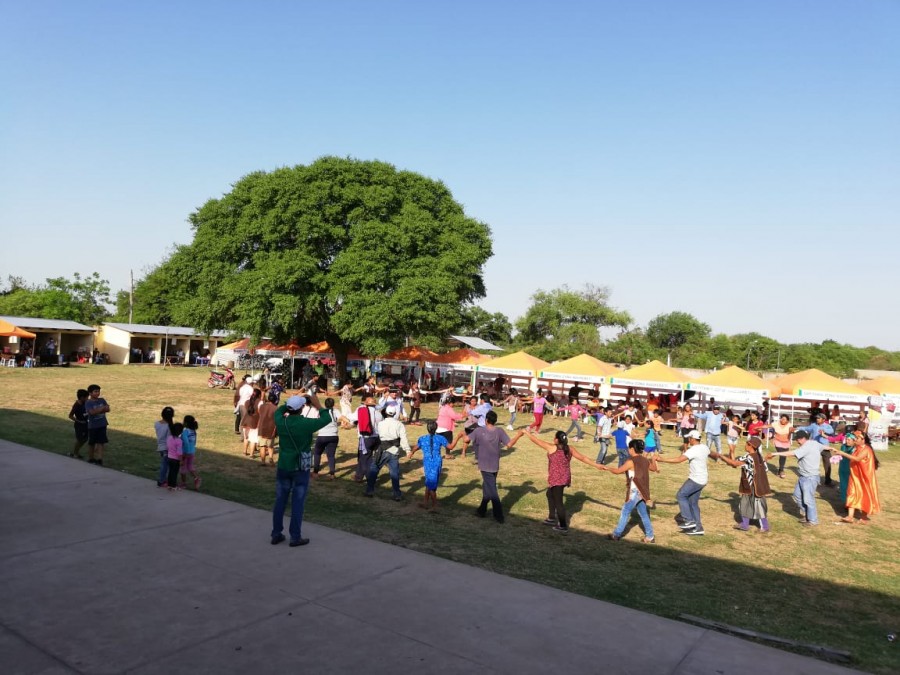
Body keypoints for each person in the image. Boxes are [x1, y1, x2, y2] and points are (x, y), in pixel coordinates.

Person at [271, 394, 330, 546]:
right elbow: (326, 419)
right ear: (302, 408)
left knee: (280, 501)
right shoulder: (305, 423)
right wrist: (317, 404)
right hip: (300, 467)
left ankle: (276, 533)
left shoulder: (281, 420)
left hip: (284, 464)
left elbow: (278, 411)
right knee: (297, 502)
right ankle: (295, 536)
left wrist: (288, 403)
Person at [525, 429, 594, 533]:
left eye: (554, 437)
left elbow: (535, 440)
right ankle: (552, 518)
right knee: (549, 494)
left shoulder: (552, 448)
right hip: (564, 477)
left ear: (557, 440)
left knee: (558, 502)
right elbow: (583, 458)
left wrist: (526, 432)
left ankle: (563, 526)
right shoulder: (569, 448)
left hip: (557, 479)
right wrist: (597, 465)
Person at [598, 439, 657, 543]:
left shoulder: (631, 461)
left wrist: (606, 468)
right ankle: (650, 536)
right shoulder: (645, 460)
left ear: (632, 449)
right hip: (643, 491)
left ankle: (616, 534)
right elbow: (654, 468)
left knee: (625, 511)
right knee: (643, 513)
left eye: (629, 448)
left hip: (634, 491)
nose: (628, 450)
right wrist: (654, 459)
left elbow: (618, 471)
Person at [470, 410, 523, 523]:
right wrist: (518, 435)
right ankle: (481, 510)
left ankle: (498, 515)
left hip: (484, 464)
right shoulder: (499, 431)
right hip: (494, 464)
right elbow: (509, 444)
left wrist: (461, 435)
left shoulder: (479, 430)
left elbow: (466, 439)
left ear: (486, 420)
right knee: (488, 486)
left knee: (492, 490)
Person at [712, 437, 772, 532]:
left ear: (751, 446)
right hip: (758, 486)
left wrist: (721, 456)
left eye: (746, 444)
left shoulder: (749, 457)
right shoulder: (759, 456)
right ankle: (746, 524)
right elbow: (765, 469)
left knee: (754, 505)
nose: (745, 445)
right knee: (749, 504)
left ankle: (763, 527)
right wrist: (732, 453)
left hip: (752, 486)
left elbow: (735, 464)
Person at [766, 430, 824, 526]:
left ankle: (813, 520)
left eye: (798, 440)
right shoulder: (814, 443)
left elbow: (791, 453)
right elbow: (823, 447)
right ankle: (807, 515)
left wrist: (775, 454)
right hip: (803, 476)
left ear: (803, 438)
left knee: (808, 499)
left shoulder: (806, 447)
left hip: (810, 478)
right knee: (797, 495)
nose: (797, 442)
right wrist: (831, 448)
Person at [657, 429, 709, 536]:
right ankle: (698, 528)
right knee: (693, 503)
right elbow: (711, 453)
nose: (688, 440)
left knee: (681, 495)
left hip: (695, 479)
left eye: (689, 438)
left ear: (693, 439)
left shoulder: (693, 450)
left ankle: (688, 520)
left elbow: (679, 459)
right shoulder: (704, 447)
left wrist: (662, 460)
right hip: (703, 479)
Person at [830, 431, 881, 524]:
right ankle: (850, 517)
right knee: (851, 493)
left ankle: (864, 517)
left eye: (857, 438)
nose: (855, 440)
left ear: (863, 440)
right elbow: (851, 457)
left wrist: (843, 453)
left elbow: (857, 459)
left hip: (865, 476)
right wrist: (839, 455)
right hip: (855, 476)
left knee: (865, 494)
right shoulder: (857, 448)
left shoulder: (867, 449)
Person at [365, 407, 410, 501]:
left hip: (383, 450)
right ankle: (397, 494)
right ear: (395, 413)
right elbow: (403, 438)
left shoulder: (380, 424)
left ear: (385, 413)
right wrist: (407, 450)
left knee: (374, 469)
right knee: (394, 473)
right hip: (394, 450)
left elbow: (379, 435)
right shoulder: (399, 424)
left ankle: (369, 490)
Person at [407, 421, 449, 510]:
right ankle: (429, 504)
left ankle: (432, 505)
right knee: (430, 483)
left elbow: (416, 447)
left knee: (430, 483)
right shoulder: (441, 438)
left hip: (428, 462)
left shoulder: (422, 438)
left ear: (427, 428)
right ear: (436, 428)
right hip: (437, 462)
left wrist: (411, 452)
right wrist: (457, 437)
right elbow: (451, 447)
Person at [796, 413, 836, 486]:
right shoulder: (813, 425)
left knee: (827, 464)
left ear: (823, 420)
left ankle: (828, 480)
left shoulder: (827, 426)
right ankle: (811, 478)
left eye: (819, 418)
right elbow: (806, 428)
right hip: (814, 447)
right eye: (817, 418)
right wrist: (797, 428)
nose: (817, 419)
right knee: (812, 463)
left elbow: (831, 431)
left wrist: (823, 430)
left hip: (824, 447)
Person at [351, 394, 383, 482]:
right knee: (364, 457)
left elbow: (352, 417)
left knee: (365, 458)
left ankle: (370, 478)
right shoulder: (378, 413)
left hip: (366, 438)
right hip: (376, 437)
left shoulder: (362, 410)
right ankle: (358, 476)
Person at [313, 398, 347, 479]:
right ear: (333, 404)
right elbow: (342, 418)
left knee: (317, 453)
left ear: (325, 404)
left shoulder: (321, 412)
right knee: (331, 455)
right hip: (333, 435)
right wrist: (347, 422)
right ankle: (332, 474)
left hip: (322, 435)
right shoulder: (335, 411)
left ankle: (315, 473)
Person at [84, 384, 110, 466]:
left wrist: (98, 410)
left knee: (101, 442)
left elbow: (108, 409)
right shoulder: (88, 402)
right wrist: (102, 408)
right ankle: (91, 458)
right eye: (95, 391)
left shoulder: (102, 400)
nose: (97, 393)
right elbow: (92, 412)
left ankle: (100, 459)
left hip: (102, 424)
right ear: (90, 393)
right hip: (93, 426)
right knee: (92, 443)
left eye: (98, 391)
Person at [178, 415, 201, 490]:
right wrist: (191, 449)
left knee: (183, 468)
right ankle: (196, 478)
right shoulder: (193, 431)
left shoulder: (185, 432)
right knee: (190, 466)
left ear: (186, 423)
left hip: (185, 452)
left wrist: (185, 453)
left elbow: (186, 442)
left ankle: (183, 483)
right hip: (192, 452)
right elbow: (194, 442)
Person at [154, 406, 175, 486]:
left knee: (164, 463)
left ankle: (163, 479)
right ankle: (162, 480)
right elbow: (169, 439)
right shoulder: (168, 426)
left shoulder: (157, 423)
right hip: (166, 448)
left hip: (160, 446)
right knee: (165, 465)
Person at [256, 391, 278, 466]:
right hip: (271, 428)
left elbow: (259, 413)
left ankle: (263, 461)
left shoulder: (262, 406)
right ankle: (271, 458)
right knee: (270, 446)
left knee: (262, 446)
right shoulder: (276, 408)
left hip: (262, 427)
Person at [240, 388, 262, 458]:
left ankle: (244, 451)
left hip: (245, 421)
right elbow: (260, 412)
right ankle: (251, 454)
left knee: (246, 437)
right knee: (253, 439)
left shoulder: (246, 402)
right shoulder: (260, 402)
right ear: (259, 395)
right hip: (254, 422)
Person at [68, 388, 89, 459]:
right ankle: (75, 453)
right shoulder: (76, 405)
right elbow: (70, 416)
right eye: (86, 397)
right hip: (79, 425)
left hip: (86, 424)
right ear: (82, 397)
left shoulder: (86, 403)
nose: (87, 398)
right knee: (80, 439)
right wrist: (79, 421)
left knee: (85, 439)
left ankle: (76, 452)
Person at [164, 422, 185, 491]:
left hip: (169, 457)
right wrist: (181, 460)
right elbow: (179, 452)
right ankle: (173, 486)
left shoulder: (169, 438)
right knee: (175, 473)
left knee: (170, 471)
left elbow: (167, 447)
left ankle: (169, 485)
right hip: (176, 459)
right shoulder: (179, 441)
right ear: (180, 432)